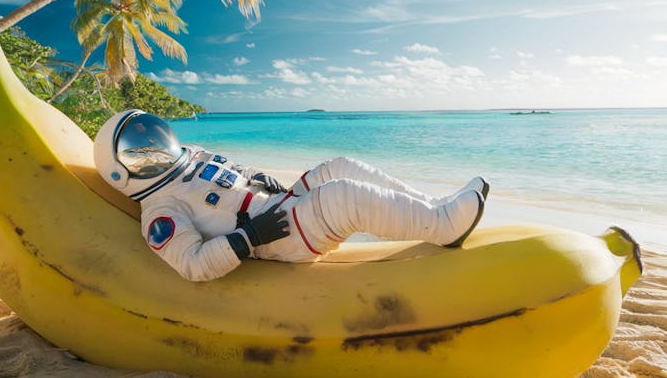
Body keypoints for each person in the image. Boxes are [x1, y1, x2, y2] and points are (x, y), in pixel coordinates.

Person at [93, 109, 489, 282]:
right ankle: (443, 228)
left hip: (275, 207)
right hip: (276, 236)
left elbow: (229, 176)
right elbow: (193, 266)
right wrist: (250, 239)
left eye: (150, 139)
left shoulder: (189, 157)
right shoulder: (159, 211)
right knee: (342, 195)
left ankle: (434, 209)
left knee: (340, 166)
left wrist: (258, 177)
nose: (153, 150)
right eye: (138, 150)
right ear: (122, 171)